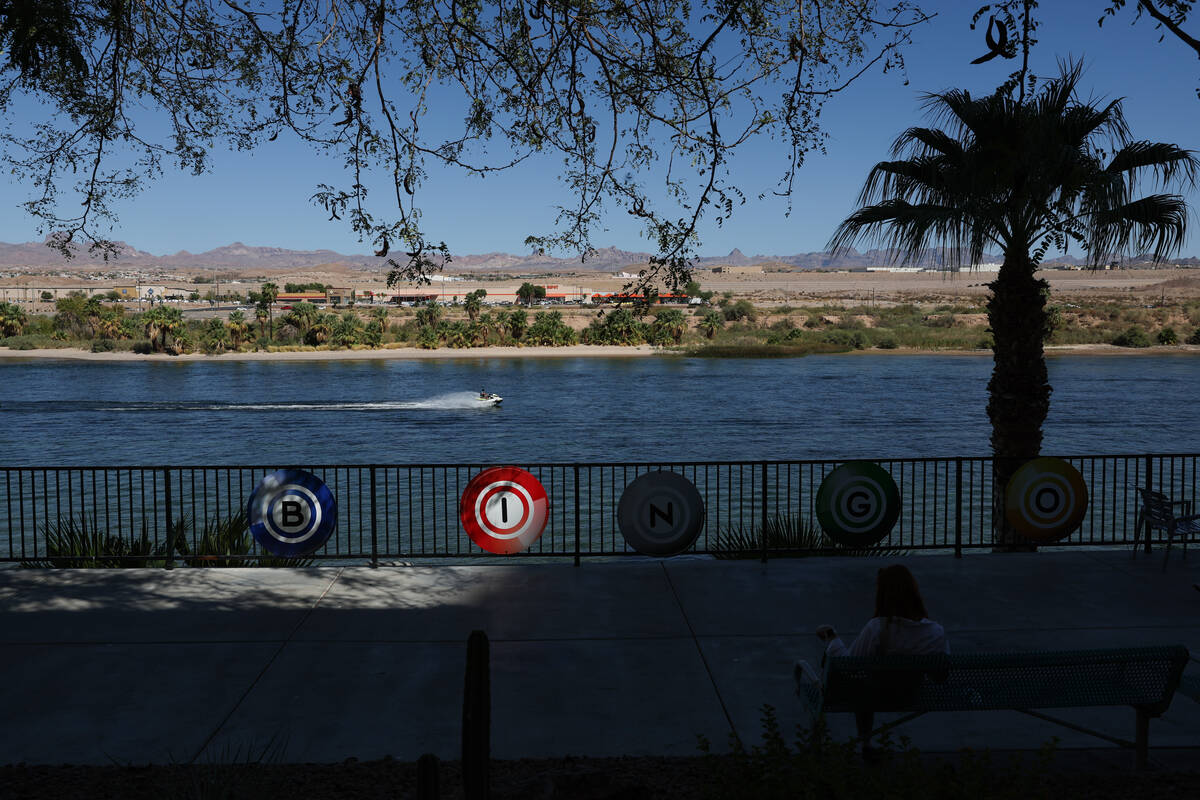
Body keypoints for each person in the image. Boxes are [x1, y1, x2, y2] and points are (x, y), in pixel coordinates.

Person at [796, 564, 948, 760]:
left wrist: (831, 638)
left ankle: (864, 743)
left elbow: (849, 665)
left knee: (860, 685)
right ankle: (866, 744)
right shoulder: (935, 633)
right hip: (911, 696)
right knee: (865, 684)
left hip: (877, 696)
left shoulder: (877, 629)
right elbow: (941, 675)